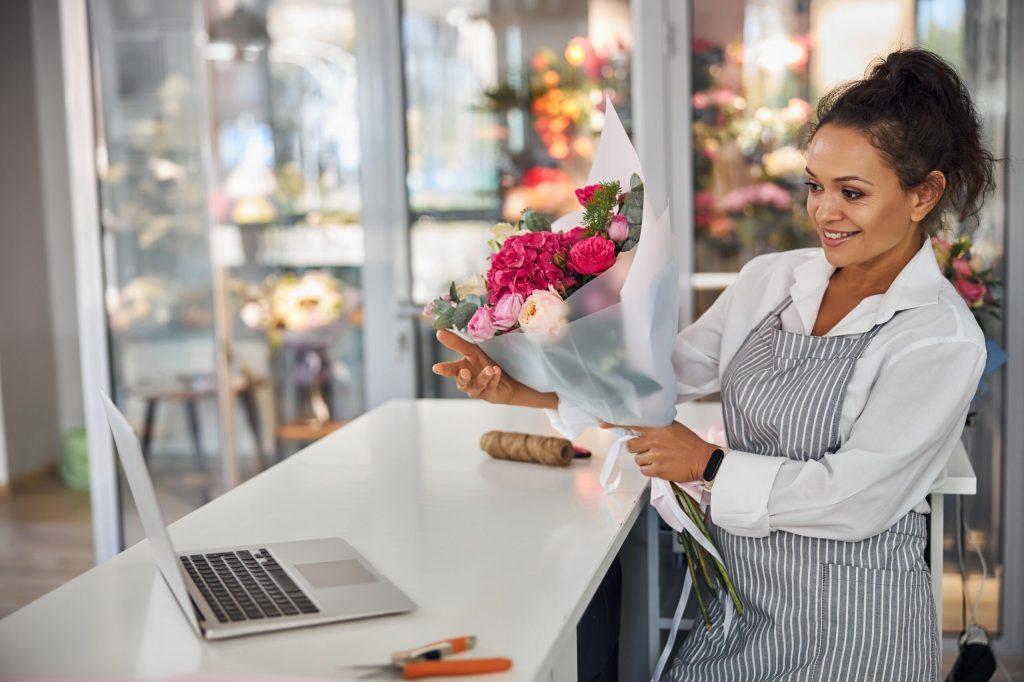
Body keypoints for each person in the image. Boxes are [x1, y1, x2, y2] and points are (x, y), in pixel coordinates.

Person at [433, 48, 995, 681]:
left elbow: (855, 497)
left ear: (925, 194)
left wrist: (706, 464)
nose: (824, 212)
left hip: (853, 632)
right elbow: (658, 377)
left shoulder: (940, 337)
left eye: (852, 193)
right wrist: (523, 386)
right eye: (814, 185)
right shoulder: (772, 280)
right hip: (738, 613)